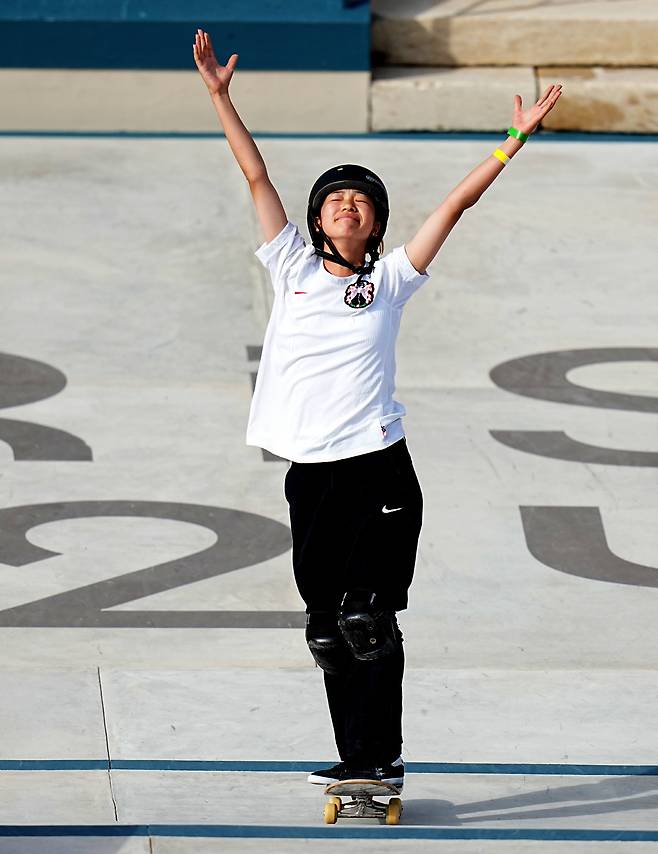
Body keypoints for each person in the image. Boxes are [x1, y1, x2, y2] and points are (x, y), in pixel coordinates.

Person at [193, 28, 562, 787]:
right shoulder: (290, 263)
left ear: (374, 225)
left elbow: (454, 206)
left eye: (360, 200)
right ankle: (361, 760)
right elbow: (256, 176)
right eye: (335, 199)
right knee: (329, 632)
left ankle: (383, 755)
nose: (348, 204)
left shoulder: (389, 280)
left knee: (368, 622)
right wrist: (222, 99)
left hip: (378, 469)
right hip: (311, 477)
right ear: (318, 220)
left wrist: (509, 144)